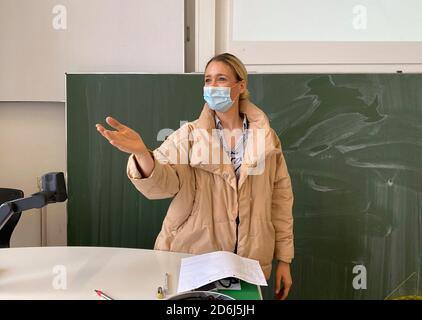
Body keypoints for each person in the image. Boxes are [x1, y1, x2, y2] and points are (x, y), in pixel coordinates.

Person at [96, 53, 294, 300]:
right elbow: (162, 183)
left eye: (221, 79)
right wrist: (141, 153)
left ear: (240, 86)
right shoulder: (188, 135)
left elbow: (281, 200)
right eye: (207, 80)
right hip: (191, 259)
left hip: (248, 262)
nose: (212, 86)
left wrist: (284, 259)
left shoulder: (266, 138)